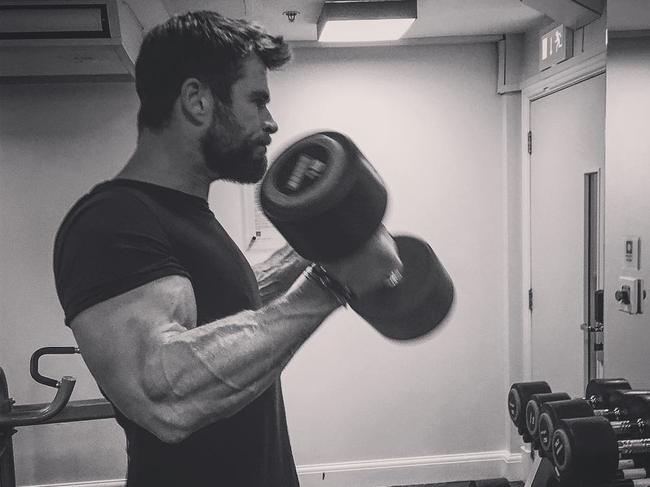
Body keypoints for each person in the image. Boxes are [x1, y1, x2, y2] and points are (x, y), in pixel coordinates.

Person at [53, 10, 401, 487]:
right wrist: (331, 283)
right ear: (197, 100)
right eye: (257, 100)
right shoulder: (110, 222)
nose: (271, 121)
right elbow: (162, 394)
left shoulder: (183, 216)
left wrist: (319, 247)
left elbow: (222, 310)